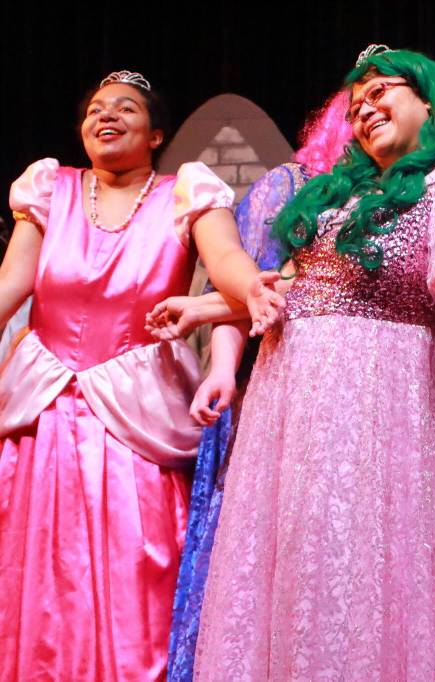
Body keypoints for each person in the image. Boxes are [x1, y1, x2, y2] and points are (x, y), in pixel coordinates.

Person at [192, 46, 435, 680]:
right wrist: (209, 310)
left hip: (380, 411)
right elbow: (303, 293)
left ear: (429, 103)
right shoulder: (333, 199)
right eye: (356, 106)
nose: (365, 109)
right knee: (298, 565)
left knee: (360, 570)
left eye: (382, 92)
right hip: (289, 411)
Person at [0, 71, 280, 681]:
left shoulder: (187, 193)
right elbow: (12, 283)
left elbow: (228, 261)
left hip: (136, 419)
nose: (107, 116)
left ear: (155, 135)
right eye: (96, 109)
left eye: (125, 108)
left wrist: (250, 286)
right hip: (43, 415)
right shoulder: (50, 189)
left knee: (136, 567)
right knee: (38, 573)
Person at [164, 89, 354, 682]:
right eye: (359, 107)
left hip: (373, 400)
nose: (372, 117)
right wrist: (223, 368)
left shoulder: (413, 193)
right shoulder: (289, 185)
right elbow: (253, 284)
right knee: (284, 551)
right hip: (289, 389)